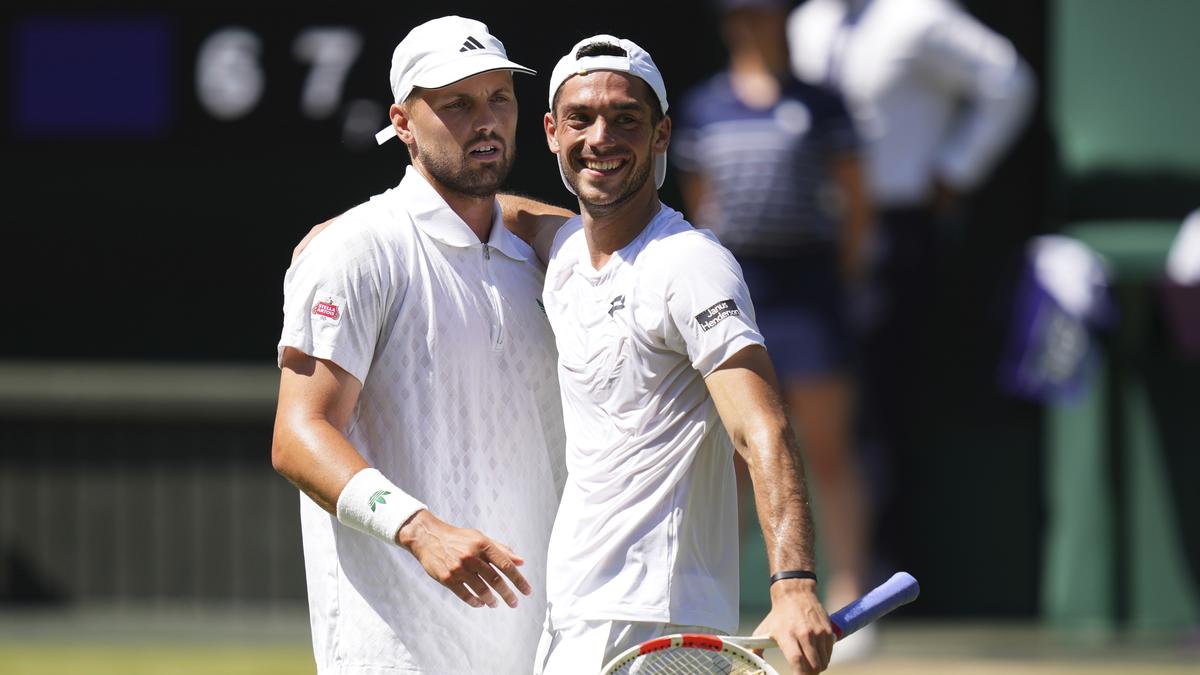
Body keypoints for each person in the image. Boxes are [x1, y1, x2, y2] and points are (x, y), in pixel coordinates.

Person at [271, 16, 570, 675]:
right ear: (402, 123)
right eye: (457, 104)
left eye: (500, 98)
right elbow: (297, 434)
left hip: (534, 652)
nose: (486, 121)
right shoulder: (353, 251)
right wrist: (418, 526)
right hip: (391, 656)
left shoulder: (550, 260)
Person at [530, 34, 835, 675]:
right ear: (553, 132)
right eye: (581, 119)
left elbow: (762, 429)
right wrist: (367, 229)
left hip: (661, 617)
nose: (601, 137)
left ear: (662, 134)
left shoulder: (691, 263)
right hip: (573, 612)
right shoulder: (562, 254)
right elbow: (499, 212)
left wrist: (794, 583)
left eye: (626, 119)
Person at [787, 0, 1034, 592]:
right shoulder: (805, 22)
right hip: (814, 234)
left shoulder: (919, 17)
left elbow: (1009, 81)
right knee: (816, 405)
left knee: (875, 406)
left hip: (897, 228)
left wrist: (954, 170)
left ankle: (879, 582)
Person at [674, 0, 873, 622]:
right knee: (733, 454)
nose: (751, 23)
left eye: (763, 11)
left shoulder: (824, 103)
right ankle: (715, 602)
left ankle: (848, 595)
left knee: (827, 448)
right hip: (735, 292)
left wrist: (834, 278)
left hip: (809, 291)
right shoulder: (704, 106)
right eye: (739, 13)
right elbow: (700, 205)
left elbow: (857, 204)